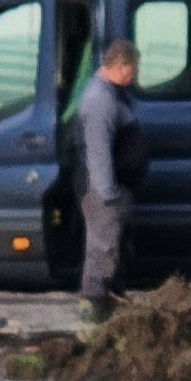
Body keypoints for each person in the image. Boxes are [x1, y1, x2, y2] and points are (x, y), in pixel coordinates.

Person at [75, 40, 147, 321]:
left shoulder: (111, 94)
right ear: (120, 67)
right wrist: (108, 194)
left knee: (111, 245)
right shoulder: (99, 100)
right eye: (133, 70)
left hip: (113, 184)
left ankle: (109, 302)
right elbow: (98, 150)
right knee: (101, 245)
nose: (135, 76)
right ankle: (94, 309)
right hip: (102, 187)